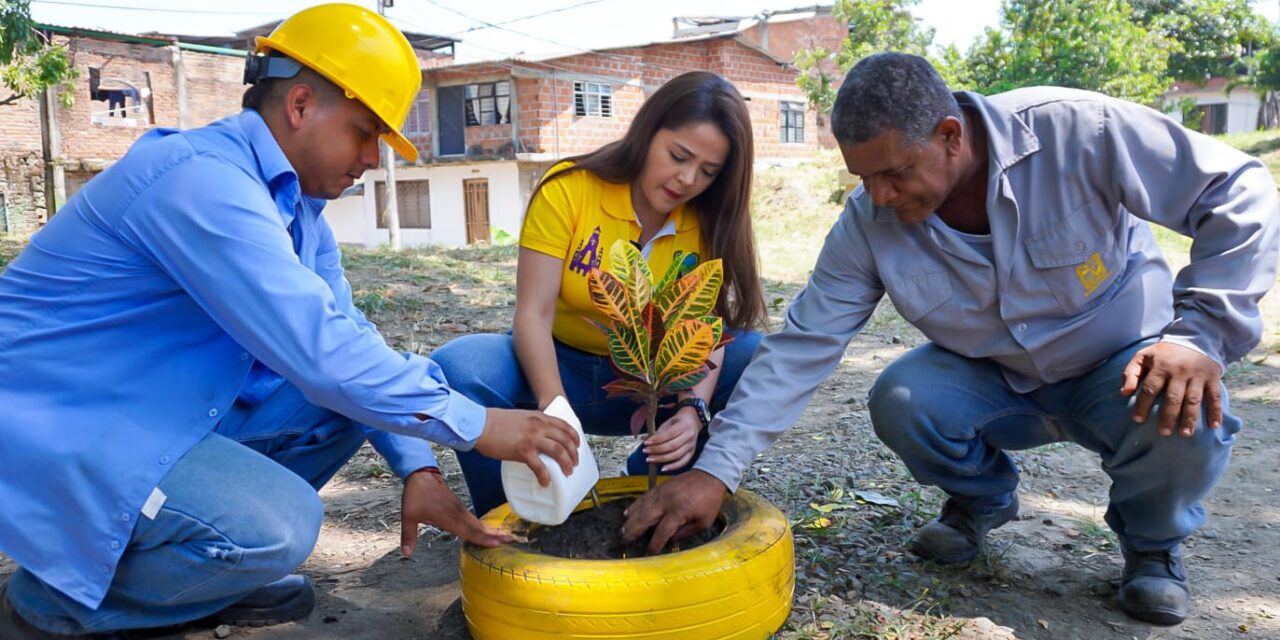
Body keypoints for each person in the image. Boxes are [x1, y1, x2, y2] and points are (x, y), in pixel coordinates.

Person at [621, 52, 1280, 626]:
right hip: (993, 381)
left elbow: (1240, 191)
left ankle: (1153, 546)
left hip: (1119, 369)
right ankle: (983, 499)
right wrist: (716, 469)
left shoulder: (1077, 132)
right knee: (902, 397)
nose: (878, 196)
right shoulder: (867, 222)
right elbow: (803, 345)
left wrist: (1200, 333)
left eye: (894, 173)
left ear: (948, 136)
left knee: (1182, 403)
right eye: (862, 178)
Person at [0, 4, 580, 638]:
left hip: (147, 408)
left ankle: (192, 573)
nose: (369, 158)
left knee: (345, 410)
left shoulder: (296, 208)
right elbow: (321, 355)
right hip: (62, 423)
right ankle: (51, 605)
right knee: (279, 527)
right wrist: (478, 425)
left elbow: (347, 336)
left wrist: (418, 466)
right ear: (301, 104)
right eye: (364, 132)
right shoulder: (202, 183)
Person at [430, 71, 769, 517]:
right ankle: (508, 518)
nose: (687, 179)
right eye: (678, 155)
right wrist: (555, 410)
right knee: (460, 367)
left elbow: (705, 331)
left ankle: (650, 490)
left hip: (651, 382)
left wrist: (693, 410)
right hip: (557, 366)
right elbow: (533, 314)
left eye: (707, 171)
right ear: (648, 133)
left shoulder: (709, 220)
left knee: (755, 355)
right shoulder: (569, 188)